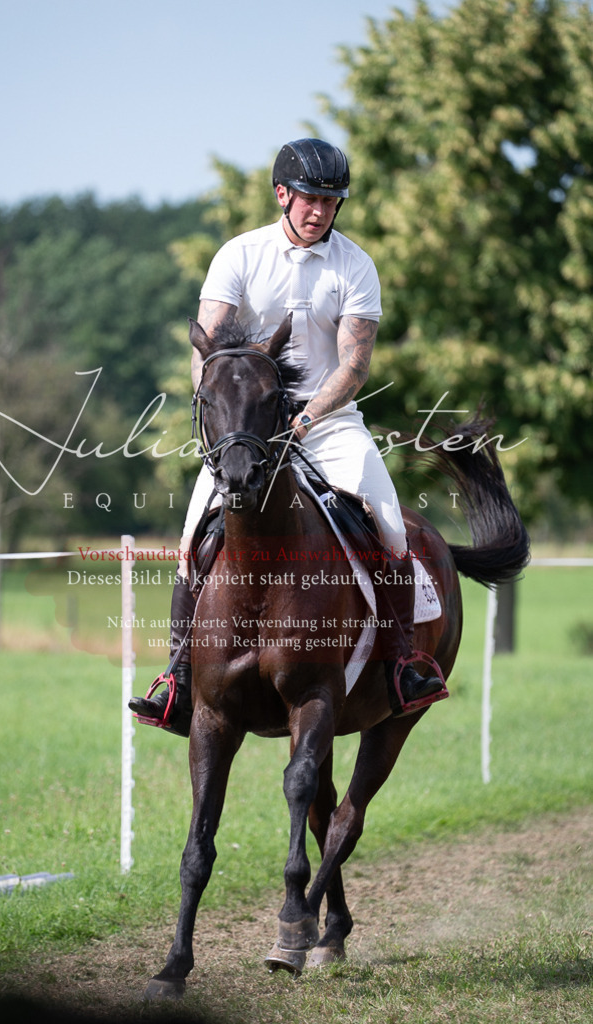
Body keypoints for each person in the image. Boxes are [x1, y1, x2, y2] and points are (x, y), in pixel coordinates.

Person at [130, 138, 443, 733]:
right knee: (192, 538)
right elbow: (206, 349)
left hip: (328, 423)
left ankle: (404, 663)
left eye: (331, 201)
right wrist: (223, 415)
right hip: (248, 428)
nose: (320, 211)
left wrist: (306, 417)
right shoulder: (239, 254)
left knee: (391, 526)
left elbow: (354, 365)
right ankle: (177, 678)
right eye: (309, 199)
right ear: (282, 194)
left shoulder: (356, 265)